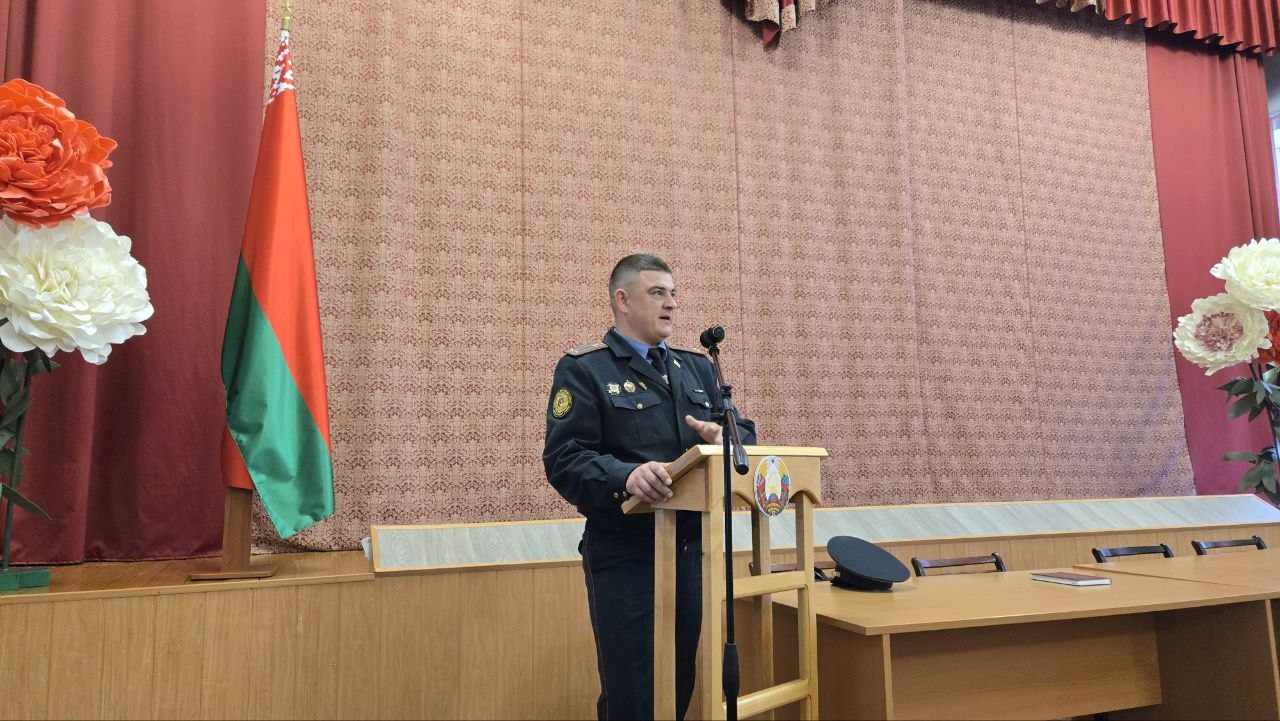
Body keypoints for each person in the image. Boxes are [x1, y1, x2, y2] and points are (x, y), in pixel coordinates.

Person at [543, 253, 756, 721]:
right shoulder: (587, 369)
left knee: (677, 685)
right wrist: (625, 476)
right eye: (657, 293)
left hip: (690, 551)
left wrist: (725, 438)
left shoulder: (698, 369)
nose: (671, 303)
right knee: (633, 694)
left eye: (673, 293)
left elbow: (745, 436)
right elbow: (564, 458)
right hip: (626, 555)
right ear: (623, 300)